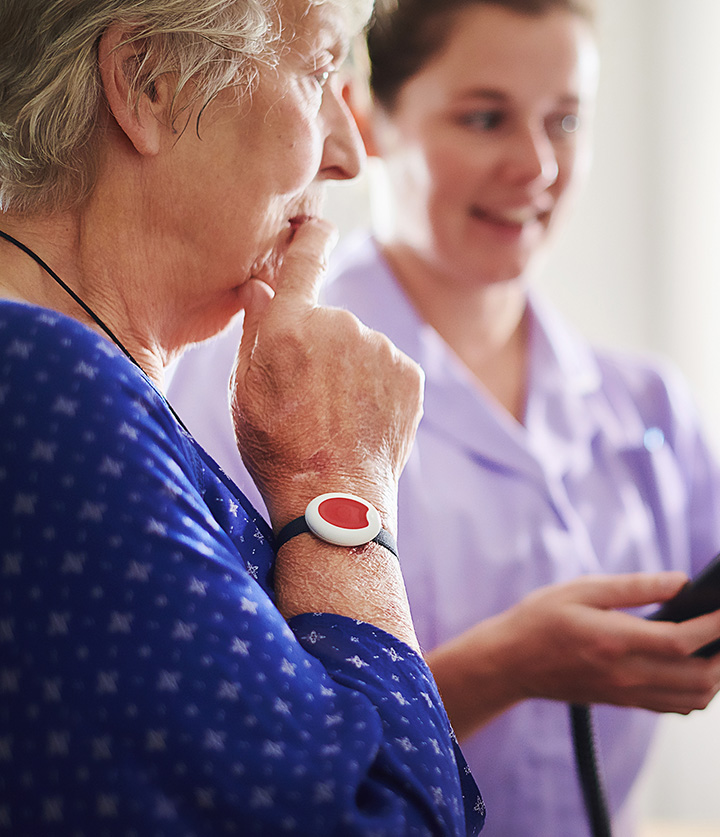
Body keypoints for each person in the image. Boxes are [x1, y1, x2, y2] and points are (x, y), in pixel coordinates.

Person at [167, 0, 720, 834]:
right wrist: (505, 668)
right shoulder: (248, 386)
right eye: (486, 117)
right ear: (366, 117)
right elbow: (234, 748)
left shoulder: (651, 407)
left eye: (565, 119)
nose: (535, 166)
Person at [0, 1, 487, 834]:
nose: (349, 153)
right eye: (323, 70)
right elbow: (379, 822)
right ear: (149, 82)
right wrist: (334, 475)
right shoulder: (46, 386)